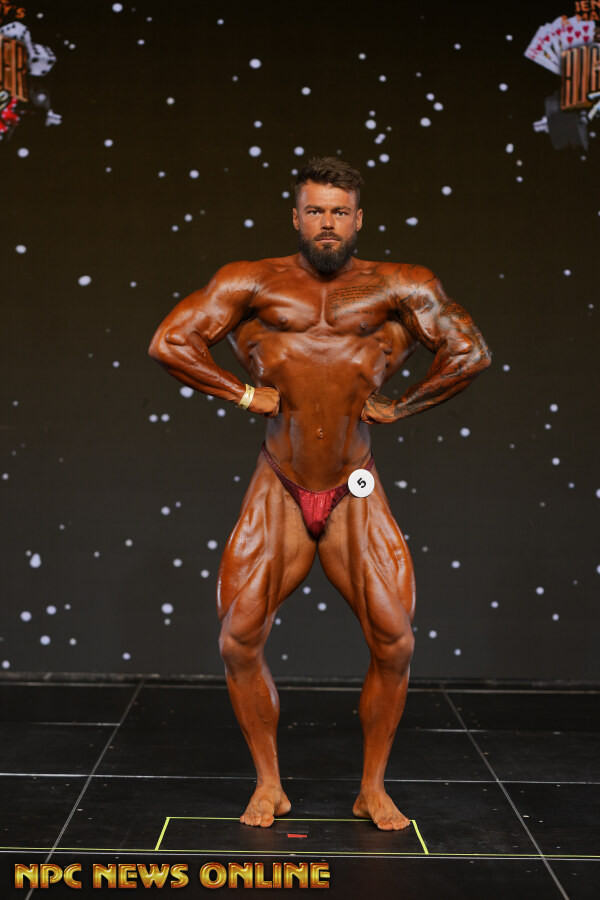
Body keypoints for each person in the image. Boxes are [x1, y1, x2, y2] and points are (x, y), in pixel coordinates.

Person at [148, 157, 491, 831]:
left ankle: (372, 788)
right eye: (315, 211)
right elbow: (170, 341)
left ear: (358, 219)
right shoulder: (251, 281)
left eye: (339, 212)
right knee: (238, 639)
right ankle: (269, 784)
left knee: (395, 642)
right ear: (296, 217)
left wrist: (403, 405)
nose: (327, 223)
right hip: (280, 482)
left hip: (353, 486)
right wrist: (242, 393)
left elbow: (470, 352)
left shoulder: (400, 285)